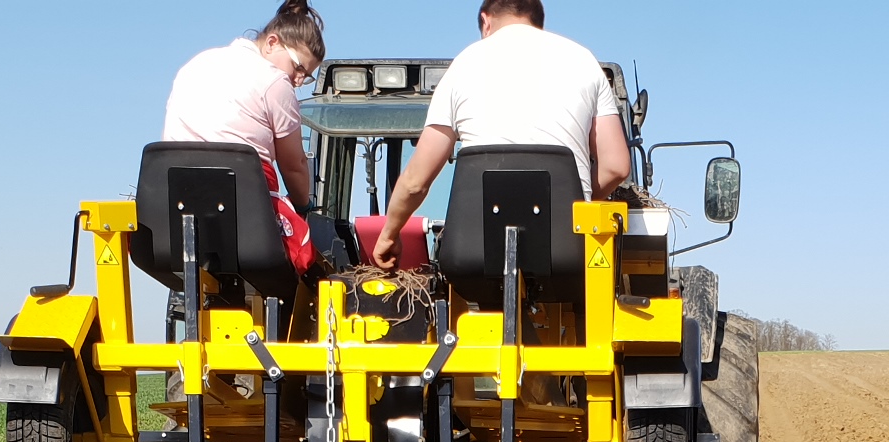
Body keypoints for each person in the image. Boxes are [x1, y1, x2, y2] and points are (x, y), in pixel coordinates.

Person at [369, 0, 632, 271]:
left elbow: (415, 182)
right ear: (538, 20)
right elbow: (616, 166)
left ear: (485, 22)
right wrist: (574, 202)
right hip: (567, 250)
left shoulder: (463, 66)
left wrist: (389, 234)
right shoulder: (583, 61)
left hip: (474, 253)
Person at [162, 2, 328, 275]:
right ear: (272, 42)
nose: (298, 80)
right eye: (298, 67)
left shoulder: (199, 62)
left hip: (175, 200)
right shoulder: (275, 81)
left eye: (306, 77)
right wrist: (302, 206)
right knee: (305, 256)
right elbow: (294, 164)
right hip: (242, 209)